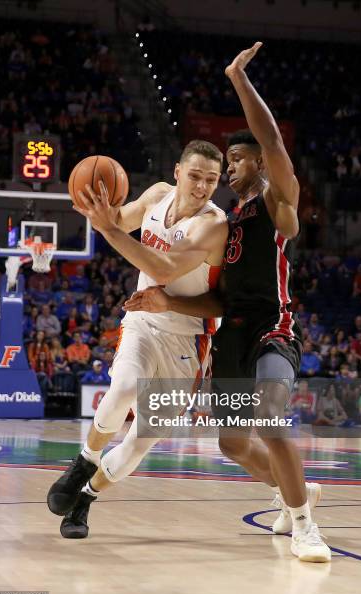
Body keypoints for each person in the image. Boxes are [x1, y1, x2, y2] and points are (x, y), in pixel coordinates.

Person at [124, 43, 330, 562]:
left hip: (272, 327)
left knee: (271, 416)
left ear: (260, 163)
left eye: (236, 159)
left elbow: (272, 140)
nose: (228, 168)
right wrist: (164, 300)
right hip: (232, 332)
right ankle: (293, 492)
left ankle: (306, 526)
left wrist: (238, 79)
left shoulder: (277, 205)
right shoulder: (225, 222)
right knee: (234, 444)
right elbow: (215, 300)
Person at [47, 139, 227, 539]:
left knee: (140, 441)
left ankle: (85, 500)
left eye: (211, 181)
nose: (201, 187)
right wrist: (101, 211)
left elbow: (161, 265)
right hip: (144, 320)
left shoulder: (214, 224)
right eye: (195, 176)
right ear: (178, 173)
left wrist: (109, 228)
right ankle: (84, 460)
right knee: (124, 386)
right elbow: (120, 221)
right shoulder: (157, 195)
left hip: (188, 342)